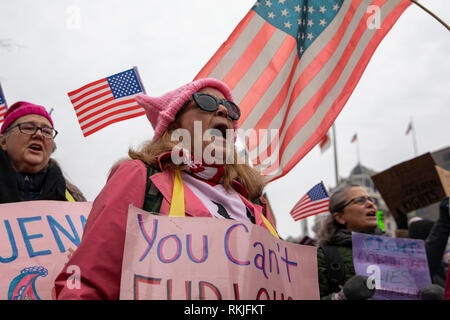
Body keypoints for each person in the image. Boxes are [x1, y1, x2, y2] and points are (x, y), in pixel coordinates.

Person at [54, 78, 276, 299]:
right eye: (206, 102)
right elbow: (88, 282)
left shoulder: (253, 203)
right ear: (174, 125)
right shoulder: (141, 177)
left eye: (230, 109)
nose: (222, 111)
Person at [0, 101, 85, 203]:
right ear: (3, 142)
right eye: (28, 128)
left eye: (47, 131)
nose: (39, 134)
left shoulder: (74, 200)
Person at [316, 183, 383, 300]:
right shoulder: (323, 257)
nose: (370, 204)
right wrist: (342, 296)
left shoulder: (394, 249)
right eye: (360, 201)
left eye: (371, 199)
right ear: (340, 217)